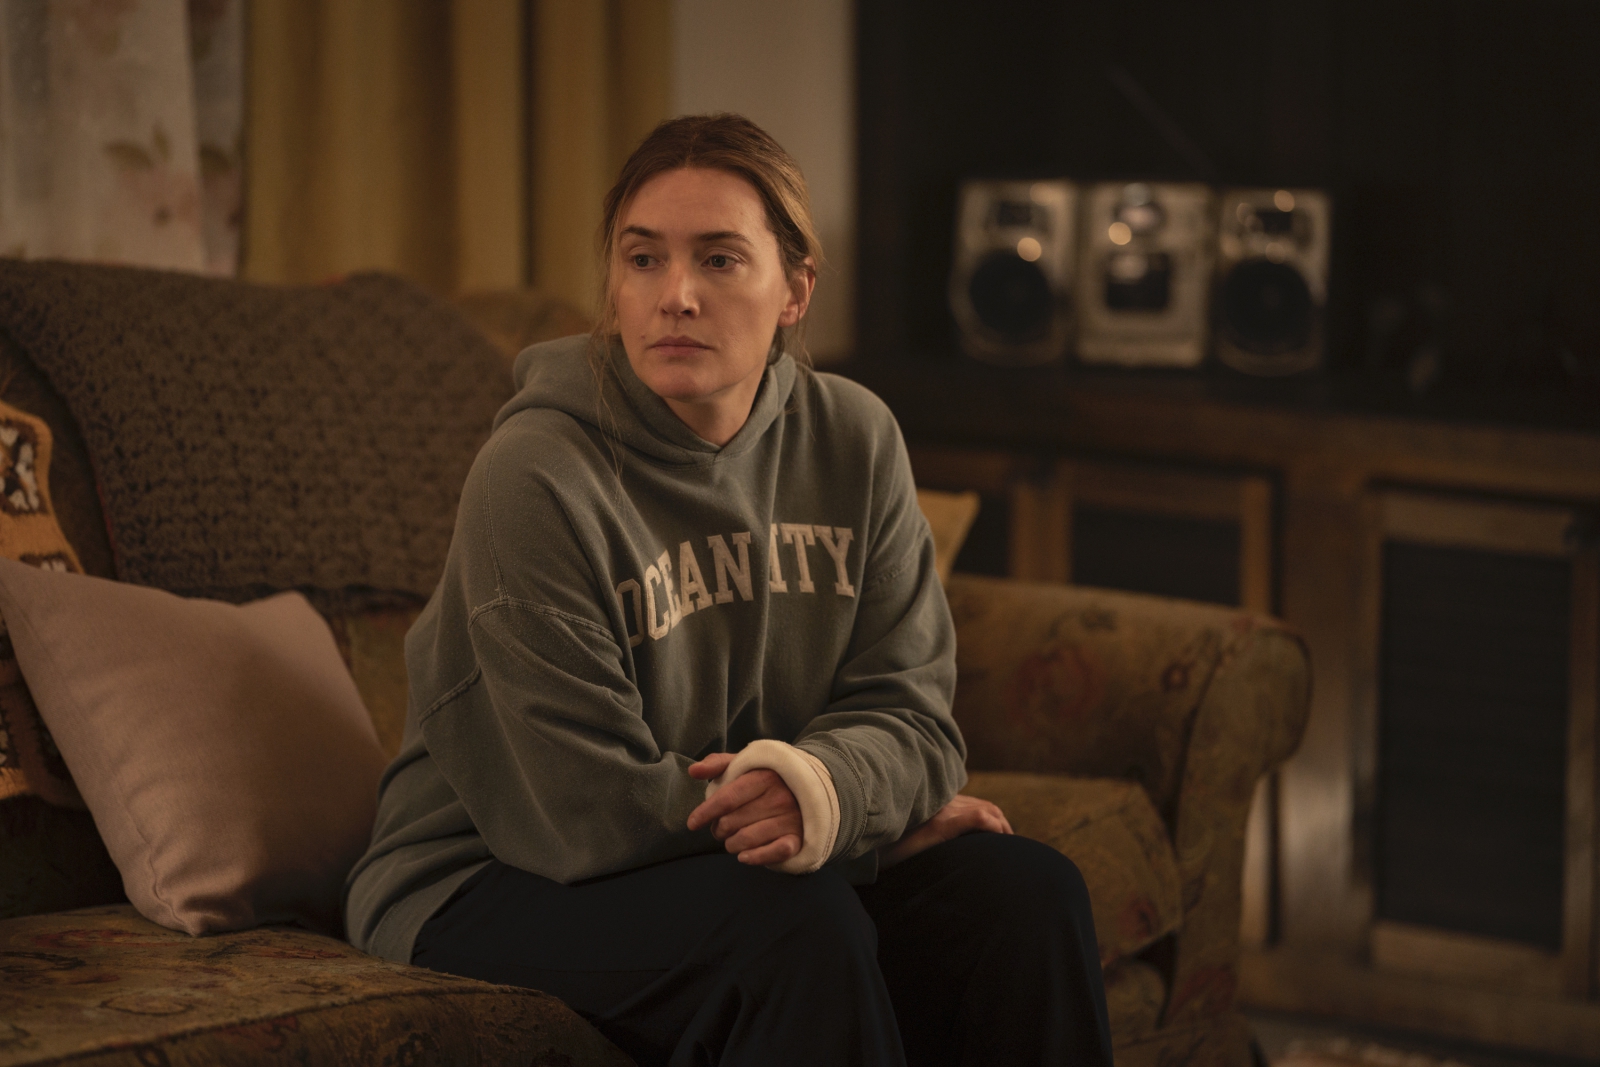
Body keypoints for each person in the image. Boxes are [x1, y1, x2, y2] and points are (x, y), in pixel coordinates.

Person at [344, 113, 1113, 1067]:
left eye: (718, 259)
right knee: (797, 927)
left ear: (795, 289)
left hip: (731, 860)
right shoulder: (533, 476)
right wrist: (850, 827)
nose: (675, 296)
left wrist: (828, 796)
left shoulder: (855, 440)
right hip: (486, 875)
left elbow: (915, 718)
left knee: (1026, 893)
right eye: (643, 260)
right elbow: (580, 805)